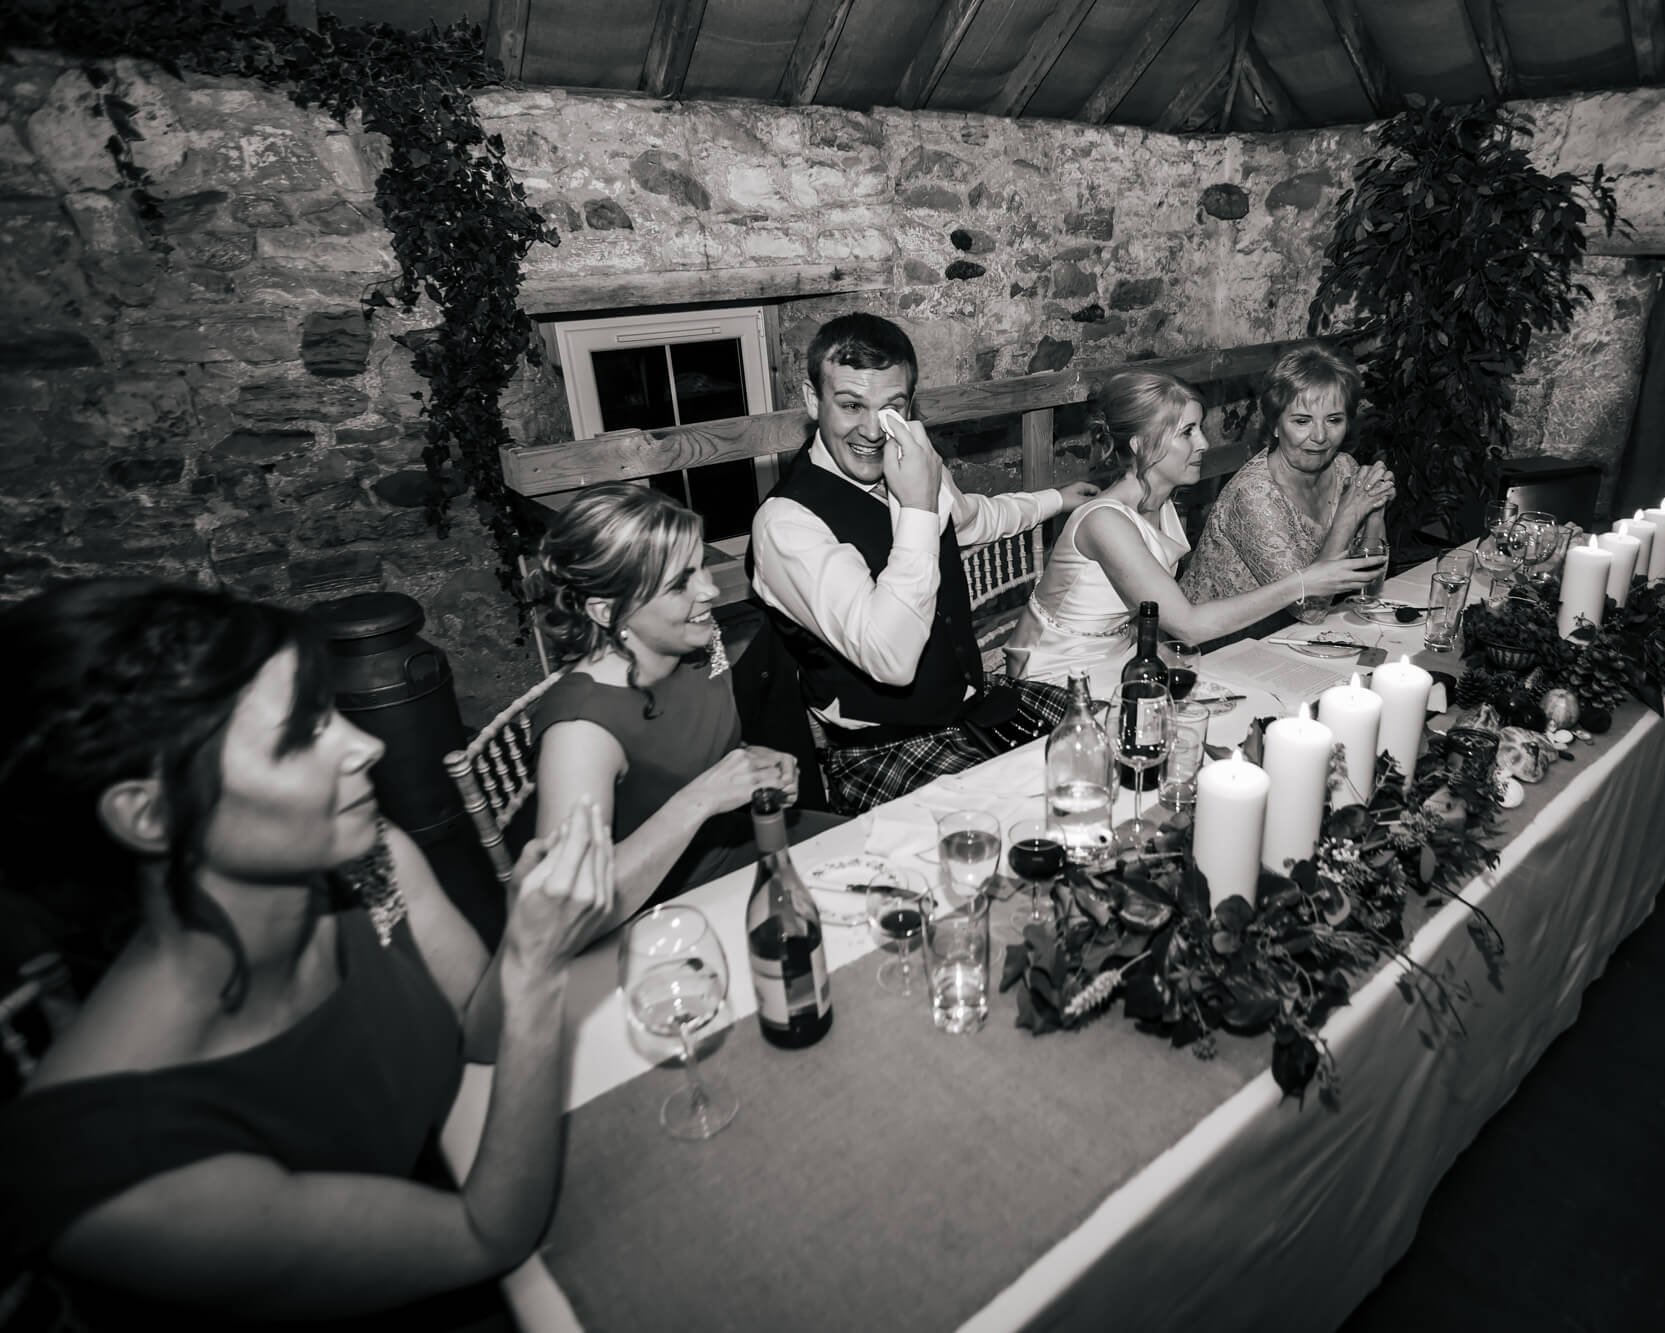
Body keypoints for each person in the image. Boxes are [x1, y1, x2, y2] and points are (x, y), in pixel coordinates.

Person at [0, 579, 614, 1329]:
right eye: (300, 733)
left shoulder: (374, 861)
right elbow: (483, 1236)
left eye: (330, 711)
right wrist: (537, 972)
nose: (369, 744)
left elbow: (479, 1037)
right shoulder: (106, 1168)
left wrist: (524, 943)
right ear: (150, 813)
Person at [748, 312, 1101, 813]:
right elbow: (889, 659)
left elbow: (971, 520)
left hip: (972, 712)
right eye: (851, 405)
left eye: (891, 407)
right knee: (1022, 817)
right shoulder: (785, 524)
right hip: (882, 749)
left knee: (1113, 730)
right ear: (813, 401)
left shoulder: (911, 458)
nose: (872, 430)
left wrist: (1054, 499)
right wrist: (915, 505)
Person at [526, 483, 845, 922]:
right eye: (679, 584)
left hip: (741, 848)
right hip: (653, 910)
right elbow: (562, 913)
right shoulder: (580, 730)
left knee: (889, 858)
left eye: (702, 566)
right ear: (607, 611)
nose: (709, 591)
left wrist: (752, 765)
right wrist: (700, 801)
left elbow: (687, 751)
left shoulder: (698, 644)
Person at [1006, 368, 1388, 682]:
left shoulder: (1160, 502)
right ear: (1141, 443)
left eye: (1199, 429)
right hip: (1052, 679)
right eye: (1187, 432)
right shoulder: (1105, 521)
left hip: (1113, 666)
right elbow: (1187, 624)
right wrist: (1305, 581)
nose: (1204, 443)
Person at [1181, 343, 1398, 626]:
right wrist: (1348, 515)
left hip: (1289, 638)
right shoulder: (1253, 495)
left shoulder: (1345, 468)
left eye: (1334, 420)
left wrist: (1374, 513)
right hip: (1220, 646)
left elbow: (1366, 579)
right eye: (1302, 420)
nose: (1320, 436)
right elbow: (1310, 609)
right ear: (1274, 425)